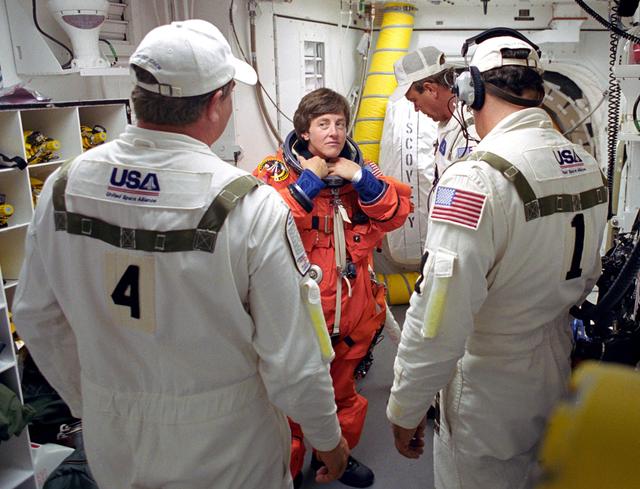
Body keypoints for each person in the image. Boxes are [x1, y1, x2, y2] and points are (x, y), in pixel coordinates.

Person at [13, 20, 349, 489]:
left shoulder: (64, 186)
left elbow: (35, 315)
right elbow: (292, 361)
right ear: (216, 103)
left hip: (115, 441)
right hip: (228, 448)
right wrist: (328, 440)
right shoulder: (247, 203)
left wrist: (94, 400)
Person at [386, 30, 608, 489]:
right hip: (553, 369)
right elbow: (589, 275)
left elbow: (438, 319)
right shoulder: (586, 166)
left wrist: (405, 406)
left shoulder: (476, 179)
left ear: (471, 90)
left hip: (487, 393)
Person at [254, 88, 413, 488]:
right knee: (291, 400)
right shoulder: (275, 172)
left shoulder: (359, 170)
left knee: (344, 395)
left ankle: (338, 458)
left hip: (351, 308)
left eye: (340, 123)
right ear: (304, 132)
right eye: (323, 124)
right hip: (299, 310)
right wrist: (309, 182)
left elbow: (396, 213)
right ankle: (289, 471)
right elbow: (261, 223)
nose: (334, 132)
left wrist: (358, 177)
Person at [390, 46, 478, 181]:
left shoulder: (470, 131)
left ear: (430, 89)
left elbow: (465, 187)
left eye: (414, 100)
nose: (416, 108)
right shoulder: (448, 123)